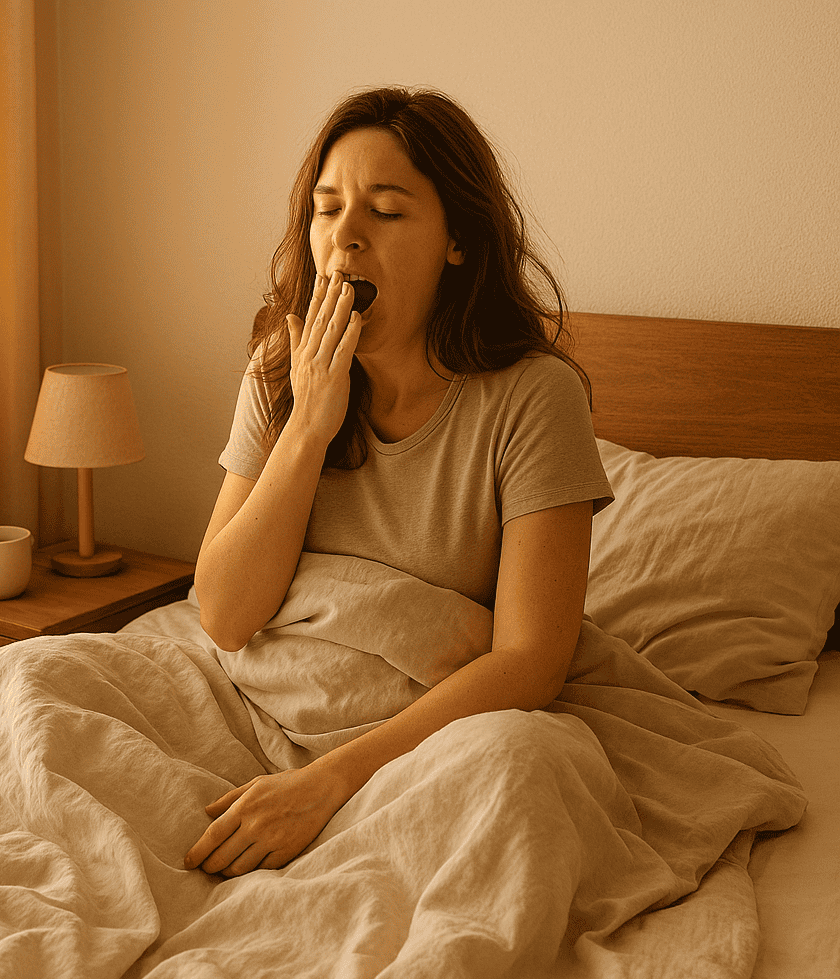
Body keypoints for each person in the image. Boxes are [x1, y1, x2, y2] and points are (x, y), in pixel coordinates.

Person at [184, 87, 613, 878]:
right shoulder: (281, 370)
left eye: (385, 211)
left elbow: (531, 660)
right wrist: (310, 424)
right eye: (326, 209)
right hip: (255, 702)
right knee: (31, 680)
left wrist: (327, 782)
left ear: (457, 240)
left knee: (520, 769)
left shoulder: (532, 395)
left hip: (434, 732)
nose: (344, 238)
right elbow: (225, 615)